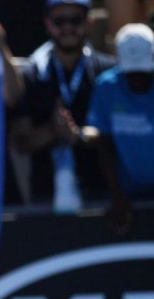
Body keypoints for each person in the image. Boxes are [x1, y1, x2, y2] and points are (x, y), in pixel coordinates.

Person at [10, 0, 116, 210]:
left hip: (101, 195)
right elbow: (20, 142)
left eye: (75, 20)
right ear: (48, 24)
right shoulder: (31, 74)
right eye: (59, 21)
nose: (67, 27)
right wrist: (52, 130)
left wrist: (78, 135)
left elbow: (117, 135)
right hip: (46, 195)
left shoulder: (108, 72)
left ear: (89, 22)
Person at [85, 23, 154, 235]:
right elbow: (104, 142)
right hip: (125, 191)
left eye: (143, 73)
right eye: (131, 74)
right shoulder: (107, 87)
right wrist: (116, 195)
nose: (137, 80)